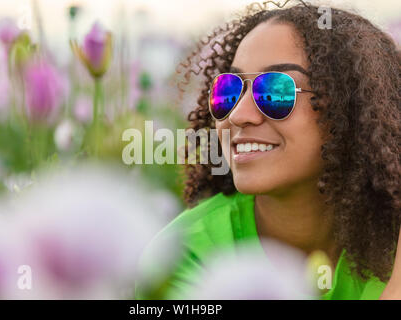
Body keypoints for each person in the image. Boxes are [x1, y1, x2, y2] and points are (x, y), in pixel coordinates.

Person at [135, 1, 400, 300]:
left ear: (350, 109)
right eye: (229, 91)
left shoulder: (390, 238)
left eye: (274, 91)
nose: (238, 114)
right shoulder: (181, 256)